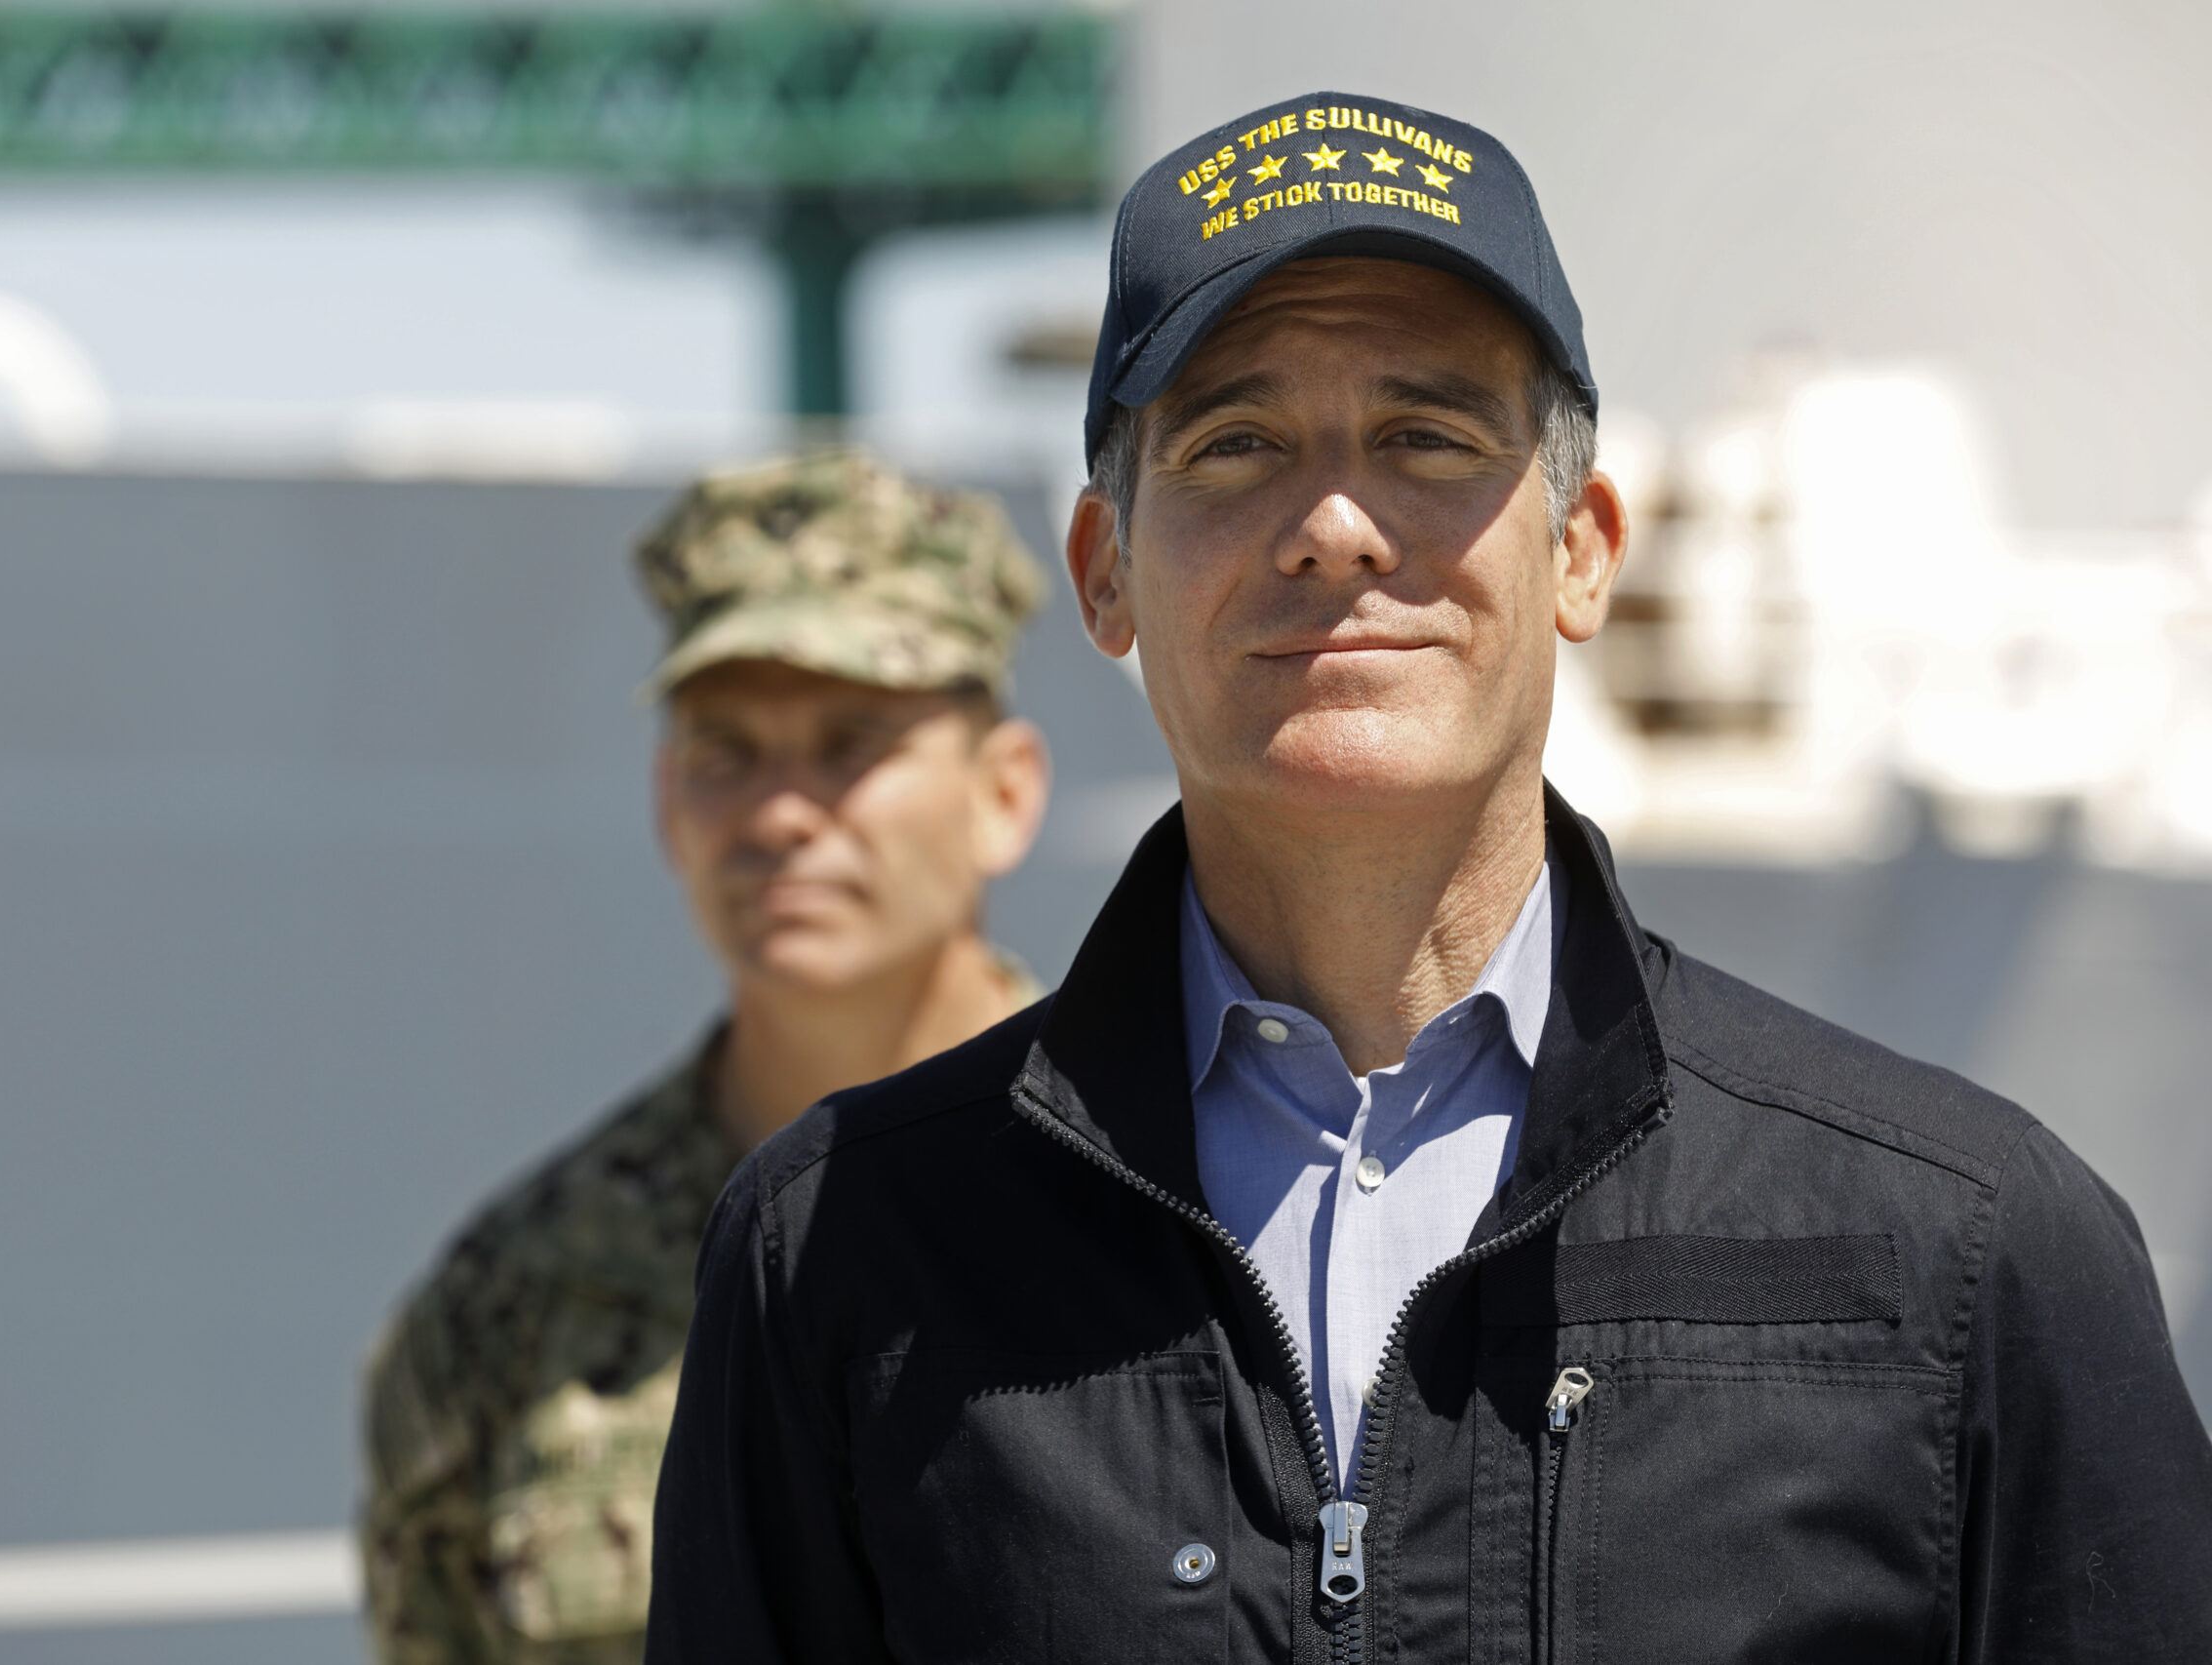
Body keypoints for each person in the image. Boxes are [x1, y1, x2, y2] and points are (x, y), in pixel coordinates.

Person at [647, 92, 2212, 1663]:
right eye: (1237, 443)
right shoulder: (836, 1252)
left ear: (1583, 548)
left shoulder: (1968, 1248)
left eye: (1429, 438)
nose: (1334, 526)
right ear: (1105, 569)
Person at [358, 449, 1053, 1665]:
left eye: (850, 744)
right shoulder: (513, 1310)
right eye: (725, 753)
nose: (778, 814)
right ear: (666, 802)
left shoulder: (1180, 1201)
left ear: (1003, 795)